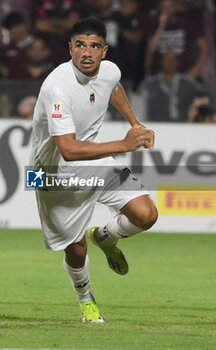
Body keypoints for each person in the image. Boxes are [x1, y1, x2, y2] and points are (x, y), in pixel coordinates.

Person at [32, 18, 158, 323]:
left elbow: (112, 87)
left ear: (104, 50)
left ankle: (105, 236)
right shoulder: (57, 86)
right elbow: (69, 150)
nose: (86, 52)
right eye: (80, 45)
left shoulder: (110, 69)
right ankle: (85, 299)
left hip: (94, 160)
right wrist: (124, 144)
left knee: (146, 215)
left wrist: (136, 124)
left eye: (93, 46)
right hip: (51, 174)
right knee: (75, 248)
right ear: (70, 49)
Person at [141, 51, 201, 121]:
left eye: (173, 60)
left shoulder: (189, 84)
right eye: (166, 59)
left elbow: (201, 102)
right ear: (161, 62)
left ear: (178, 62)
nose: (169, 62)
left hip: (185, 126)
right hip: (156, 126)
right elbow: (140, 107)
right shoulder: (149, 85)